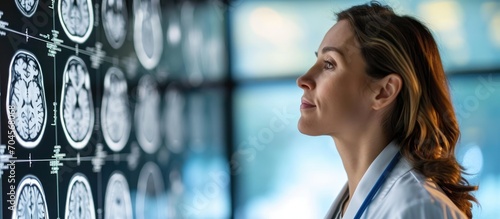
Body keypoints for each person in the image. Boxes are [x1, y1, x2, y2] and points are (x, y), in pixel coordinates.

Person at [296, 1, 478, 218]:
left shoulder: (416, 208)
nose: (303, 80)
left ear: (383, 92)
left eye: (329, 64)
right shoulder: (354, 203)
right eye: (317, 60)